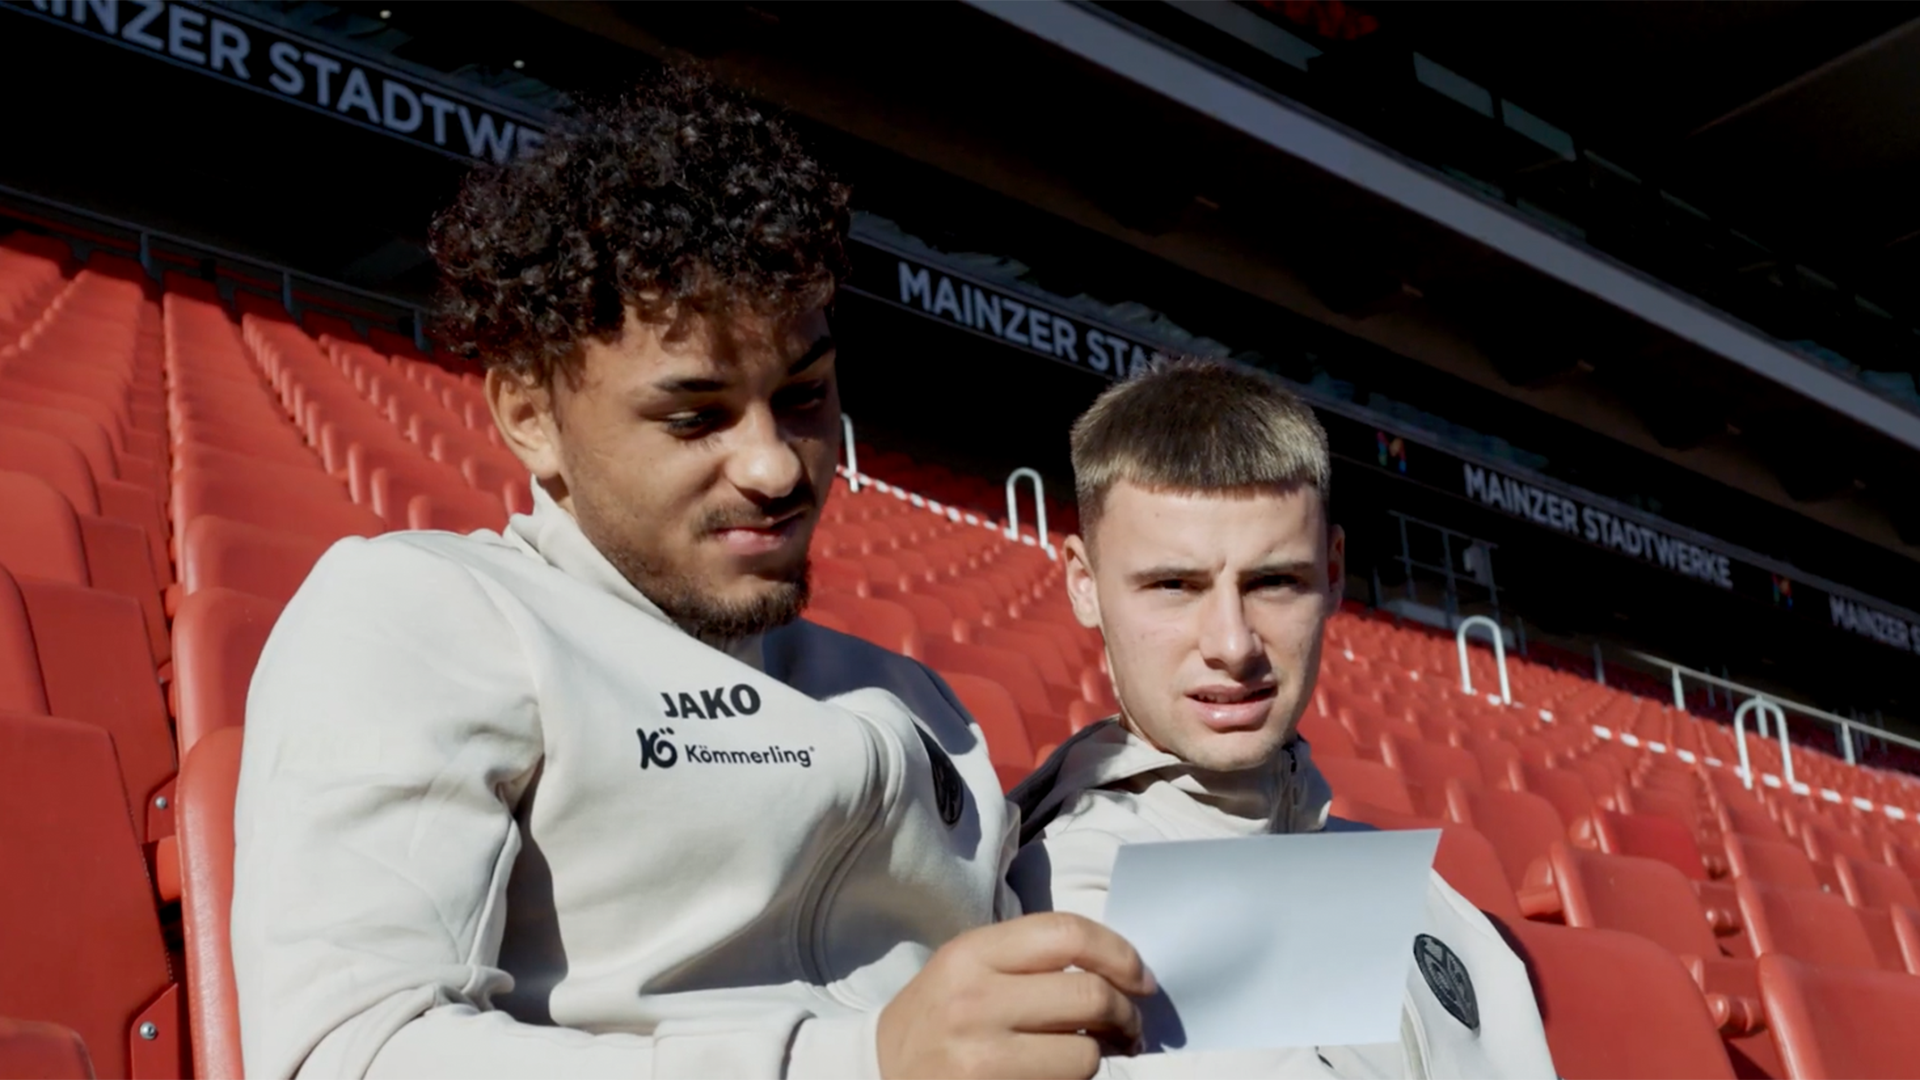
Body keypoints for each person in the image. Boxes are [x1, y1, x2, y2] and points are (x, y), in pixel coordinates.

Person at [229, 68, 1154, 1080]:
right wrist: (861, 1063)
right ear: (530, 415)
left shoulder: (917, 699)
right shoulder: (423, 614)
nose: (774, 466)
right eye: (691, 416)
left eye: (803, 396)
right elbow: (351, 1053)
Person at [1008, 359, 1557, 1078]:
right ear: (1085, 585)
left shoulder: (1429, 898)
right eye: (1174, 585)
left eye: (1274, 581)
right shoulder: (1062, 893)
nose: (1233, 645)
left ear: (1334, 573)